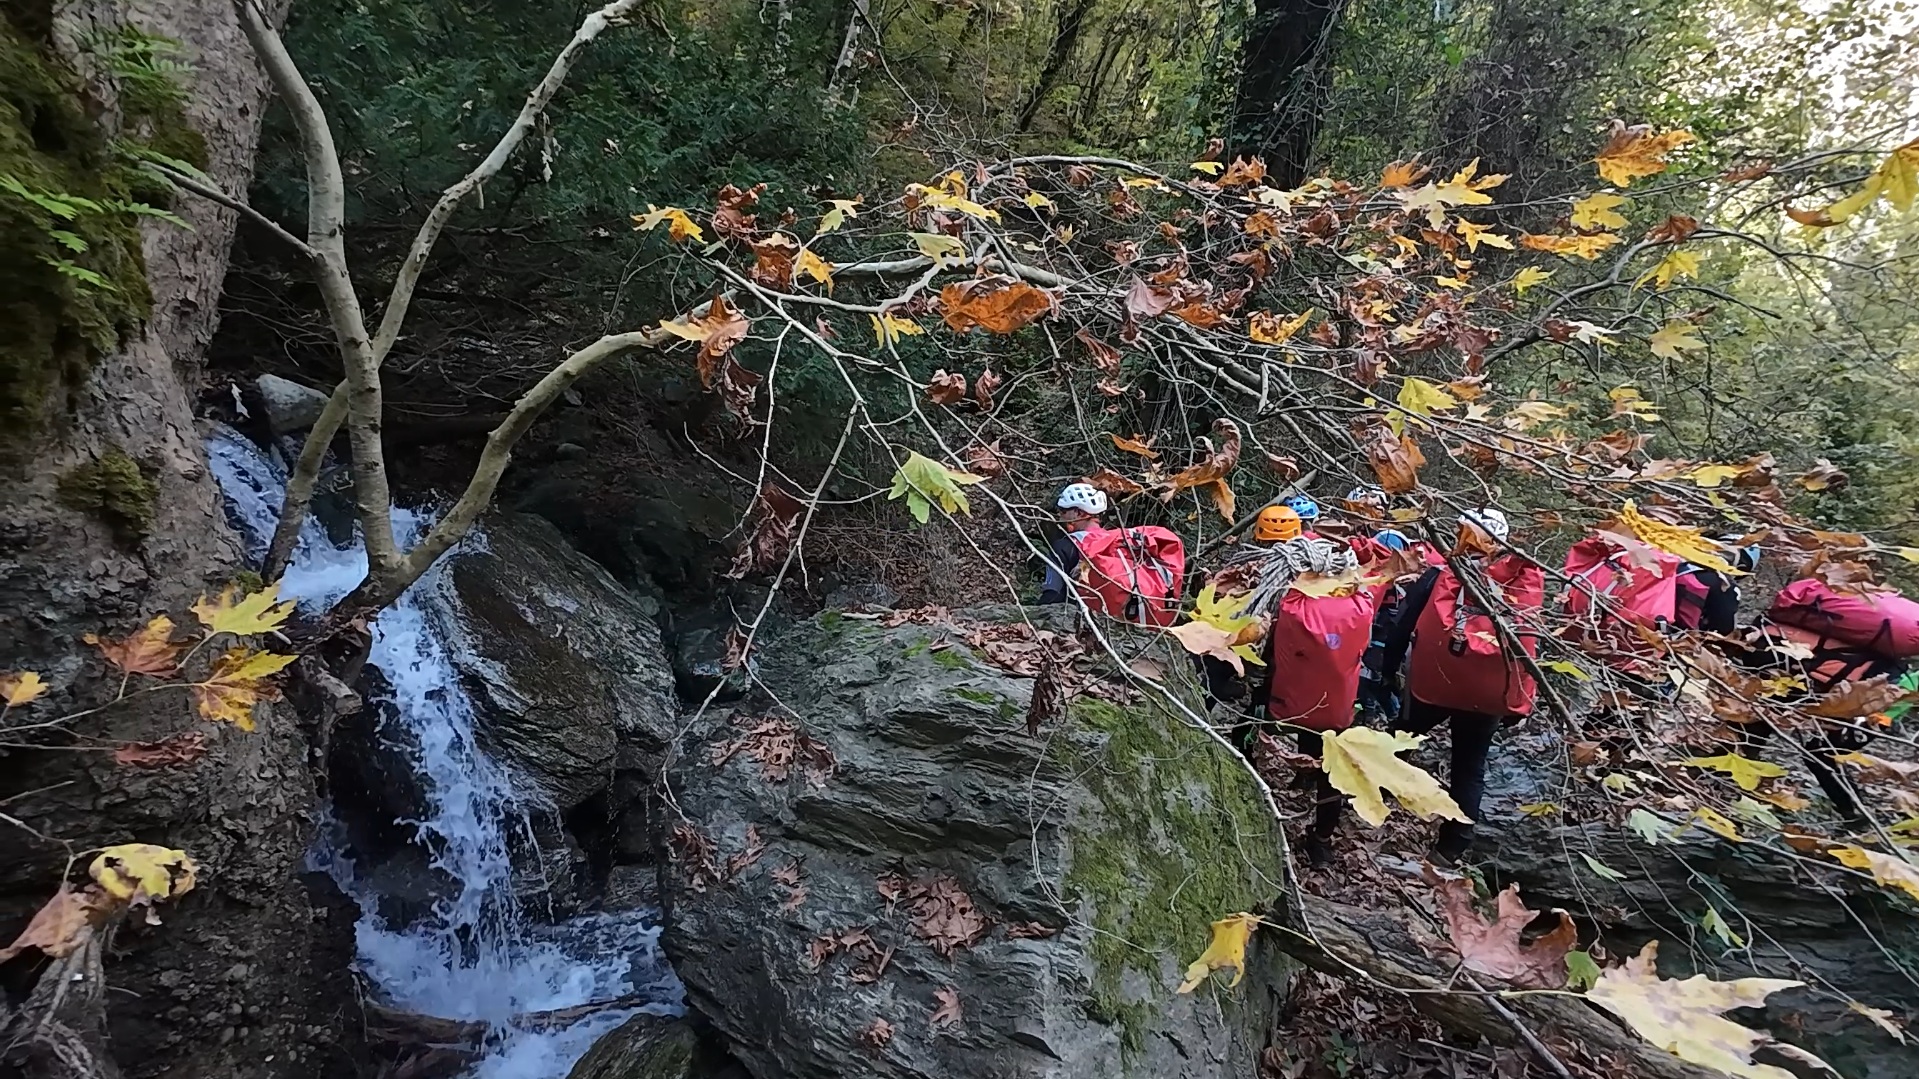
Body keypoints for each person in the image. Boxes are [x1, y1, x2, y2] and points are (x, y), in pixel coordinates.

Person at [1377, 508, 1545, 863]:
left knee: (1400, 738)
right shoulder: (1520, 581)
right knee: (1470, 765)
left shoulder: (1443, 572)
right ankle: (1452, 846)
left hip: (1436, 682)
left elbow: (1404, 623)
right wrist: (1519, 700)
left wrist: (1388, 670)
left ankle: (1373, 800)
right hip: (1488, 694)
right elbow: (1527, 643)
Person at [1674, 536, 1760, 634]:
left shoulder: (1675, 564)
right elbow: (1724, 629)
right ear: (1741, 566)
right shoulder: (1724, 585)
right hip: (1679, 638)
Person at [1038, 482, 1106, 605]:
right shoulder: (1116, 541)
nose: (1060, 515)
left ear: (1079, 513)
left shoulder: (1064, 547)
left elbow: (1053, 595)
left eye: (1063, 511)